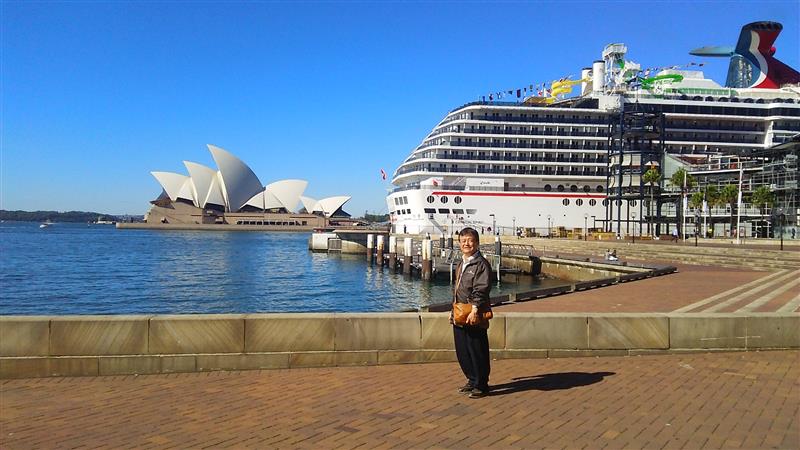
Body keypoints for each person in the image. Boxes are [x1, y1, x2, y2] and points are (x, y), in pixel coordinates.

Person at [451, 227, 492, 399]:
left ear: (477, 243)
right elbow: (458, 289)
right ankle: (472, 379)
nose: (466, 244)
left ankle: (481, 384)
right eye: (463, 241)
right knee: (463, 350)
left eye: (470, 240)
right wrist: (453, 310)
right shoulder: (462, 263)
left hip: (473, 313)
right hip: (459, 312)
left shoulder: (481, 264)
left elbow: (481, 289)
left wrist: (475, 309)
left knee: (477, 349)